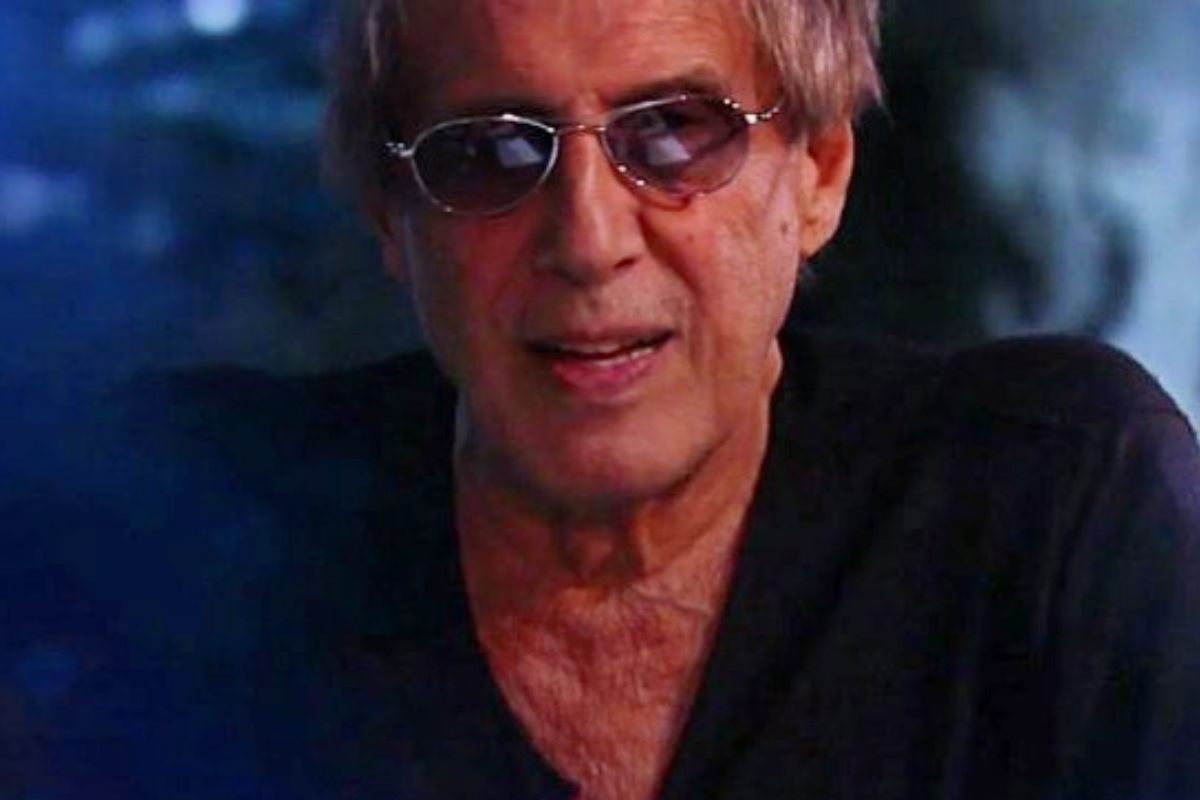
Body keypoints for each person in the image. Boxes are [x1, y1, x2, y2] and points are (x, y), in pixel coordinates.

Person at [304, 0, 1200, 797]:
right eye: (491, 152)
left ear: (821, 172)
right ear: (391, 211)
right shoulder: (237, 535)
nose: (588, 241)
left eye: (673, 131)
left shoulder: (1051, 509)